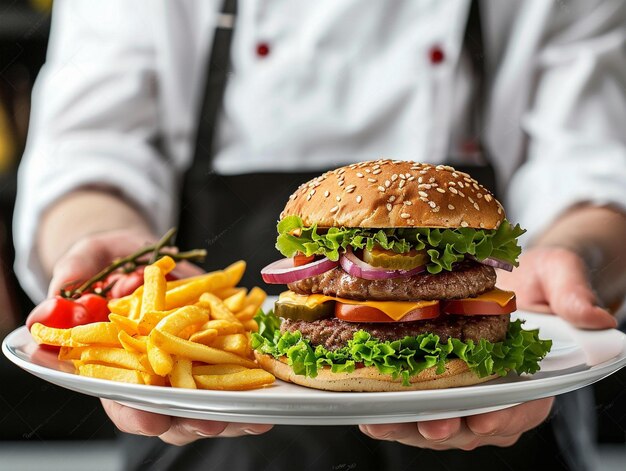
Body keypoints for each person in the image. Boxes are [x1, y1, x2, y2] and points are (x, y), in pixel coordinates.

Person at [13, 0, 626, 470]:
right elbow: (89, 150)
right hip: (219, 432)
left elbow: (597, 158)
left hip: (505, 436)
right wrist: (104, 243)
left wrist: (575, 255)